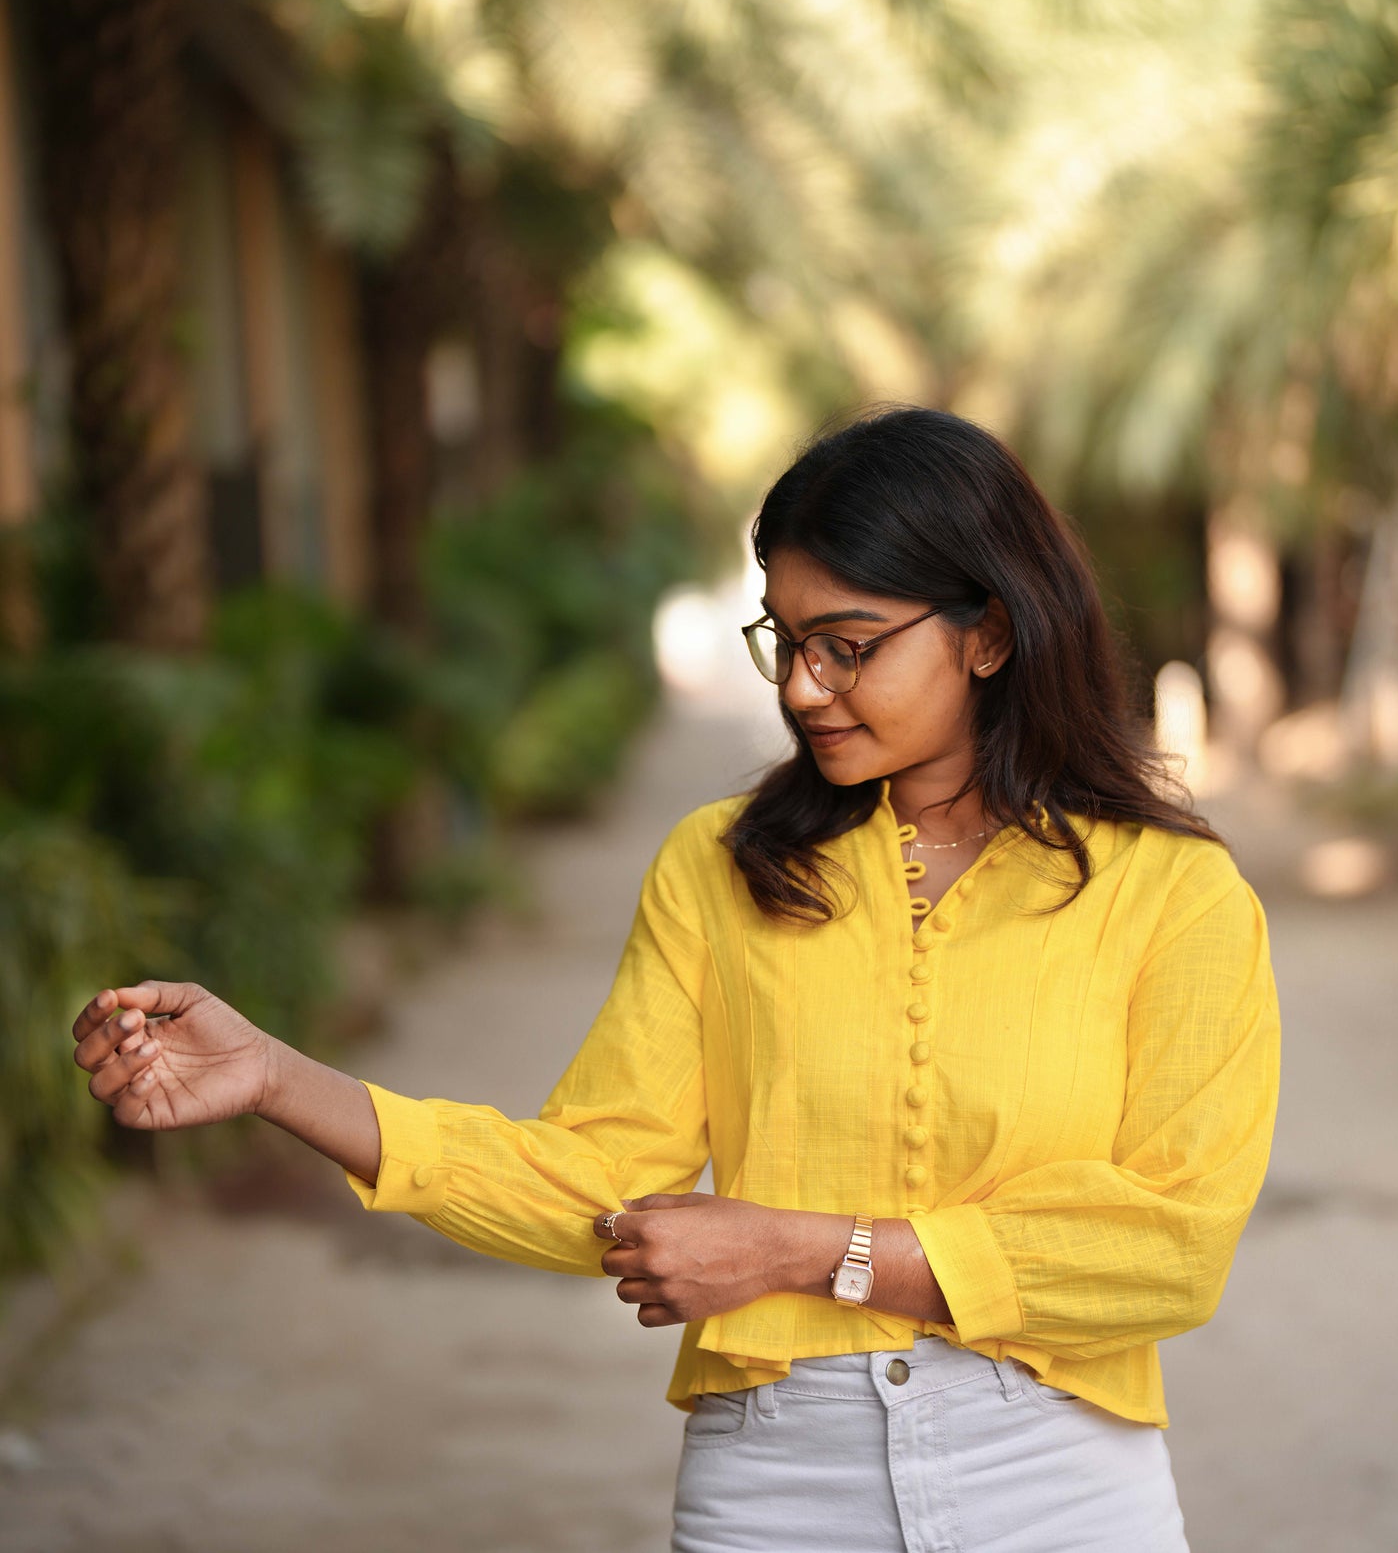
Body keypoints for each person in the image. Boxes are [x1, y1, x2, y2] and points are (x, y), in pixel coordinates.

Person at [72, 407, 1280, 1552]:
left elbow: (1169, 1246)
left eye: (846, 646)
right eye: (786, 642)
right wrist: (280, 1079)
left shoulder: (1169, 896)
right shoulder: (722, 869)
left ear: (989, 632)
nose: (803, 687)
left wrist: (803, 1252)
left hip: (1060, 1482)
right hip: (774, 1481)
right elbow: (594, 1177)